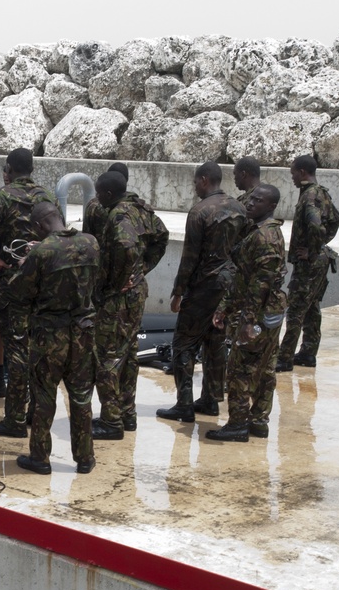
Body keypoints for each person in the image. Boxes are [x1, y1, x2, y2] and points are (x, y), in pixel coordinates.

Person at [0, 148, 56, 438]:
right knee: (36, 347)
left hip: (11, 282)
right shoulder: (48, 196)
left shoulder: (1, 197)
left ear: (9, 168)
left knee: (17, 350)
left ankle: (15, 419)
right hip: (42, 283)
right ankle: (32, 412)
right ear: (32, 169)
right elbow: (57, 233)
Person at [14, 201, 99, 474]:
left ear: (39, 226)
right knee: (82, 396)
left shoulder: (41, 251)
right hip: (83, 332)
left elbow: (20, 293)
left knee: (43, 396)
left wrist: (25, 263)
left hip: (50, 335)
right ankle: (85, 458)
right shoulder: (91, 243)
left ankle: (40, 457)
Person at [157, 162, 246, 423]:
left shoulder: (199, 212)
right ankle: (211, 398)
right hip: (228, 285)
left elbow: (189, 258)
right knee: (215, 341)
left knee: (183, 343)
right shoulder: (240, 208)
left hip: (203, 288)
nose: (194, 186)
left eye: (195, 182)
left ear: (205, 180)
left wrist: (177, 292)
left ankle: (184, 403)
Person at [90, 171, 169, 440]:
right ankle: (127, 413)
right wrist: (143, 269)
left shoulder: (118, 215)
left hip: (118, 299)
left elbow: (125, 246)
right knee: (128, 353)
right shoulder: (141, 208)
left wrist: (116, 282)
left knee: (107, 357)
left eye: (99, 194)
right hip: (136, 294)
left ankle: (111, 421)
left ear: (109, 194)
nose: (97, 199)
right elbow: (162, 235)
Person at [208, 184, 287, 441]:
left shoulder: (266, 237)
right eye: (251, 199)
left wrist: (247, 321)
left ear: (271, 206)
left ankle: (238, 424)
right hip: (260, 311)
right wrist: (224, 307)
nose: (251, 203)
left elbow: (259, 285)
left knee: (241, 369)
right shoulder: (257, 231)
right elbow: (243, 277)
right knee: (264, 368)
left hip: (259, 314)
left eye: (259, 201)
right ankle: (258, 420)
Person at [275, 155, 339, 371]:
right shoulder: (321, 192)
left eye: (293, 172)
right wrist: (320, 246)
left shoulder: (309, 196)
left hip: (310, 264)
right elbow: (336, 219)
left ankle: (284, 358)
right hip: (320, 261)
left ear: (302, 172)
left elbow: (315, 225)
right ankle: (308, 353)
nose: (292, 177)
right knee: (311, 308)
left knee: (295, 310)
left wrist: (312, 250)